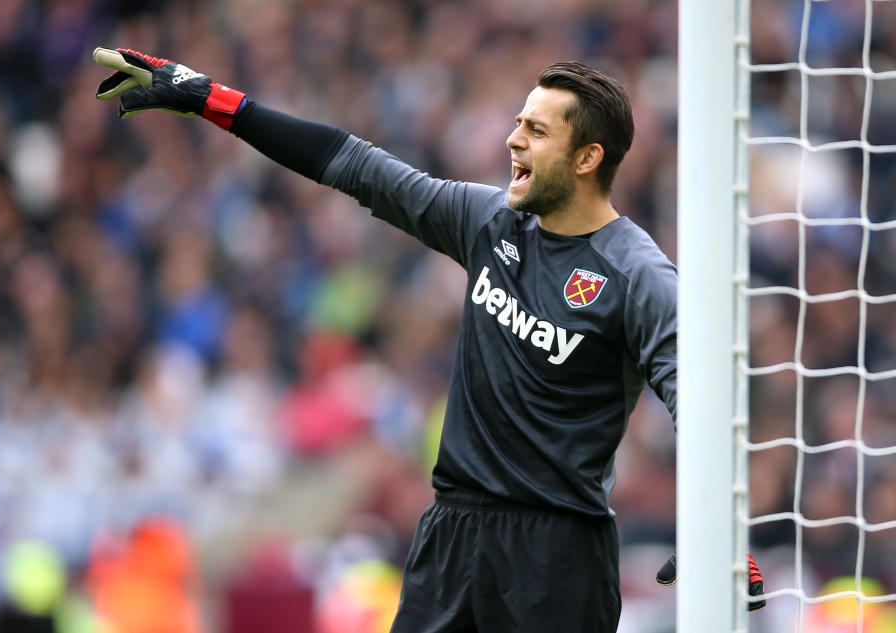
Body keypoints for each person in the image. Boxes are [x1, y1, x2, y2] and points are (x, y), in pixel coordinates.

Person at [93, 47, 764, 632]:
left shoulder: (636, 274)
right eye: (516, 122)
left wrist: (723, 526)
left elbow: (697, 399)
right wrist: (211, 98)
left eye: (535, 129)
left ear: (588, 157)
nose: (513, 140)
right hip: (452, 536)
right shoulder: (488, 222)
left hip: (557, 555)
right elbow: (354, 165)